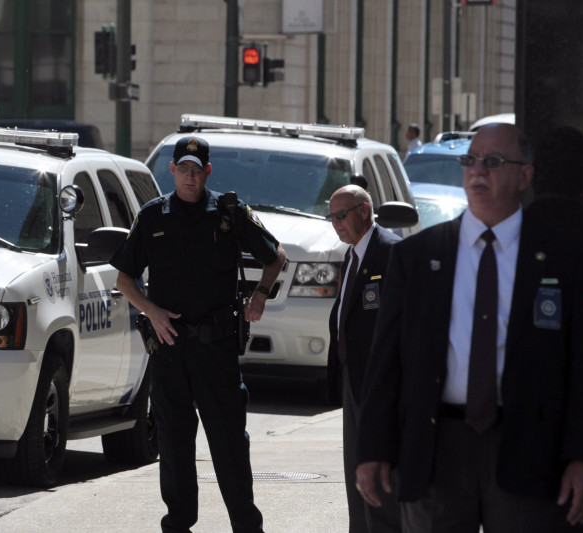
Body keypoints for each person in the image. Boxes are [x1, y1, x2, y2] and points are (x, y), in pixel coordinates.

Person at [355, 123, 583, 531]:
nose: (478, 171)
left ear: (525, 176)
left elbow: (580, 365)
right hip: (435, 447)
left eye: (493, 162)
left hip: (528, 449)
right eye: (471, 160)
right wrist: (373, 447)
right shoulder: (417, 257)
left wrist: (580, 455)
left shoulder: (562, 258)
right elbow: (385, 362)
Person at [111, 136, 286, 533]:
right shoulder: (153, 216)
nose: (189, 177)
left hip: (216, 348)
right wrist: (151, 311)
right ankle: (178, 525)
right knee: (173, 445)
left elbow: (275, 256)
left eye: (197, 170)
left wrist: (260, 295)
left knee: (229, 443)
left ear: (207, 172)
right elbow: (125, 279)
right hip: (169, 347)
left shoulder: (229, 212)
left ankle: (246, 526)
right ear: (172, 170)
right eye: (183, 169)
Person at [325, 184, 402, 533]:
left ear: (365, 210)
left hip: (380, 382)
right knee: (356, 472)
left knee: (378, 475)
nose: (336, 223)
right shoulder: (351, 254)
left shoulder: (391, 252)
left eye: (341, 215)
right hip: (352, 378)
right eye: (331, 217)